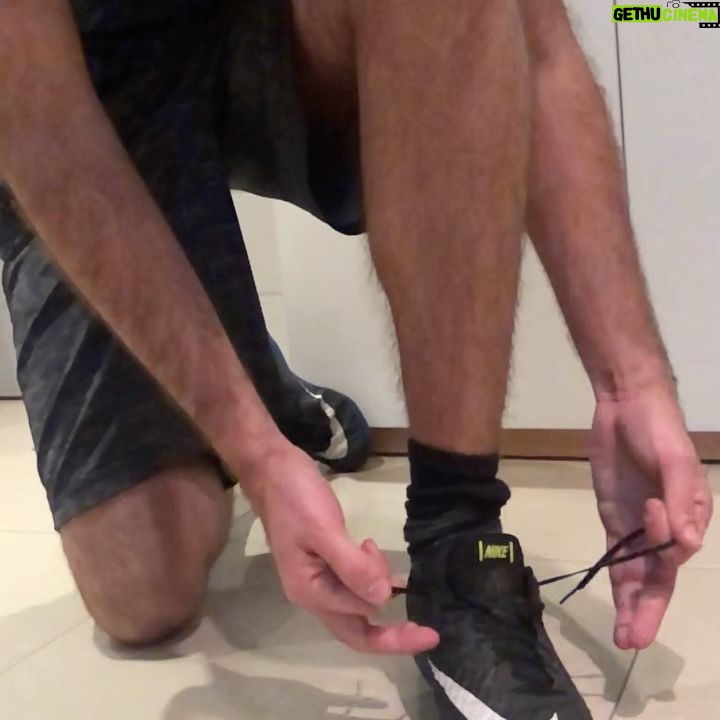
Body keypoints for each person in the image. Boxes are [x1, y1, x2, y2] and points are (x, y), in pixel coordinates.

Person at [0, 1, 712, 718]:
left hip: (278, 26)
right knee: (140, 589)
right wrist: (256, 454)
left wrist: (632, 383)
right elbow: (41, 123)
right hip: (94, 74)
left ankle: (457, 535)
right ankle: (251, 383)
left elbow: (541, 40)